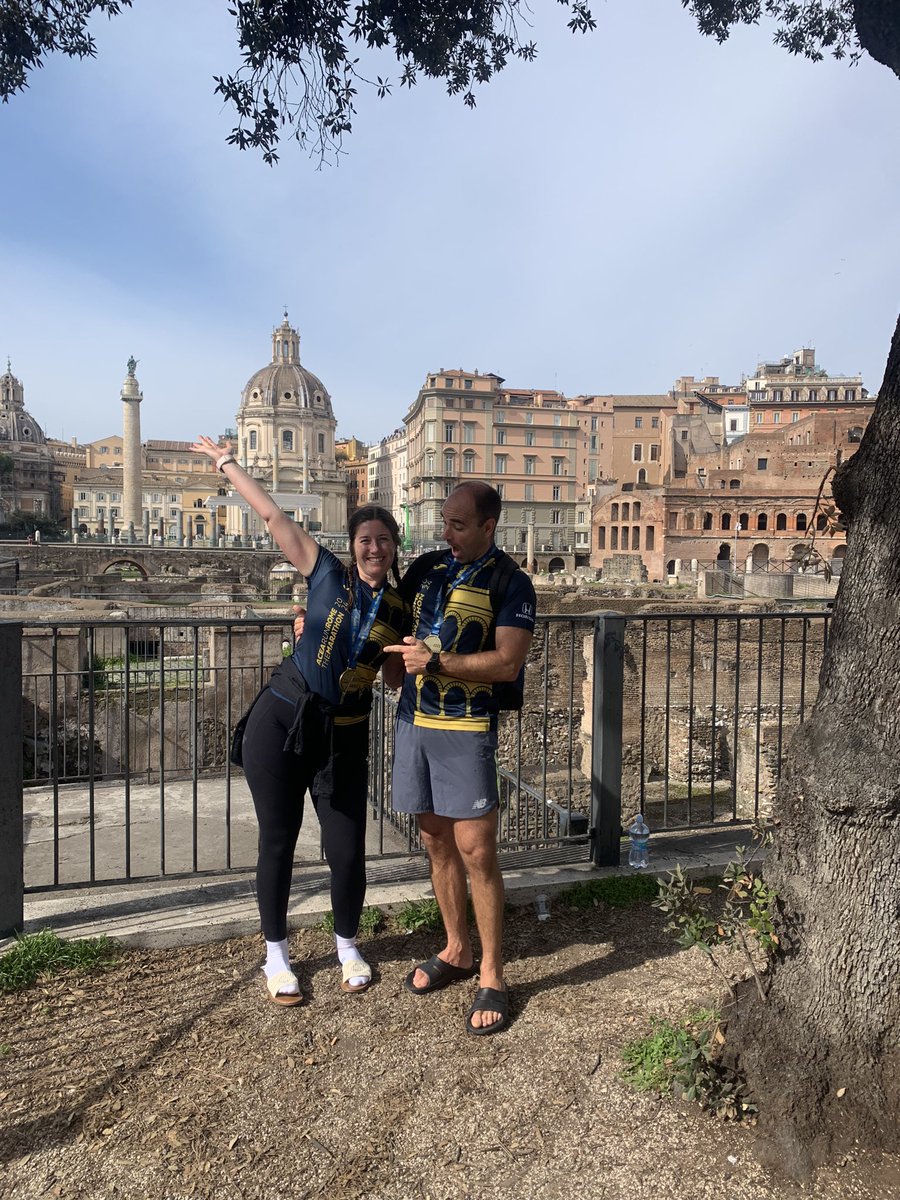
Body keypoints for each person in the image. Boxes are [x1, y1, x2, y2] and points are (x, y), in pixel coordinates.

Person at [192, 435, 407, 1006]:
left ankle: (346, 946)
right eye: (366, 539)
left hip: (344, 734)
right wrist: (226, 463)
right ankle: (277, 956)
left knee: (346, 848)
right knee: (278, 841)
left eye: (384, 540)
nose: (374, 549)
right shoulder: (325, 571)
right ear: (353, 545)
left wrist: (400, 656)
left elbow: (393, 682)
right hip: (282, 719)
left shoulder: (400, 608)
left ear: (395, 546)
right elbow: (271, 513)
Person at [384, 481, 536, 1036]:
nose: (445, 534)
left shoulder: (511, 582)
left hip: (466, 727)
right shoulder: (427, 568)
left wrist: (437, 662)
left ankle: (492, 973)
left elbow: (506, 664)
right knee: (434, 840)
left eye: (458, 525)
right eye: (443, 522)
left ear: (489, 526)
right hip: (413, 723)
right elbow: (385, 616)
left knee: (476, 850)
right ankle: (456, 949)